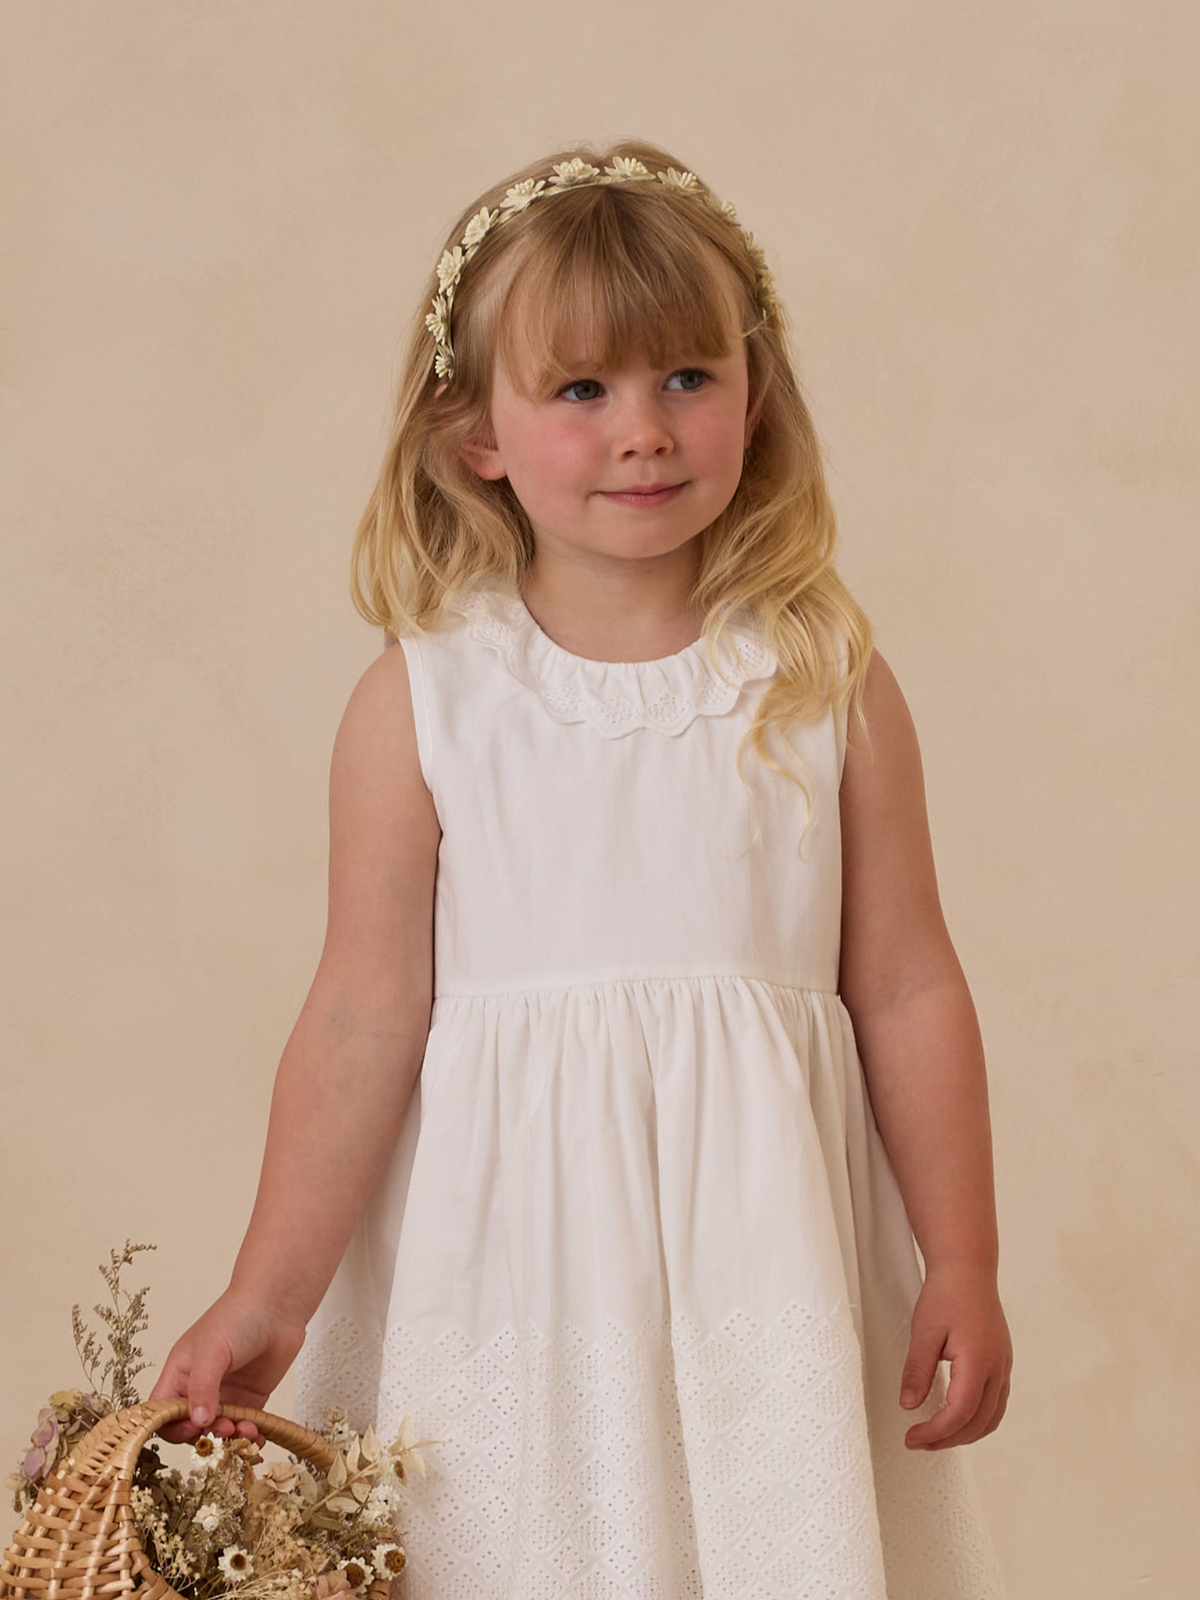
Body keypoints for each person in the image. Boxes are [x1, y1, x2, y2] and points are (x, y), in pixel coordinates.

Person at [152, 141, 1012, 1598]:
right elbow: (362, 1015)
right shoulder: (428, 702)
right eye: (581, 389)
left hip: (763, 1271)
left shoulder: (823, 682)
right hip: (510, 1282)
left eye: (688, 376)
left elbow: (910, 983)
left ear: (757, 393)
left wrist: (964, 1257)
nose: (645, 431)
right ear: (474, 432)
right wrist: (268, 1294)